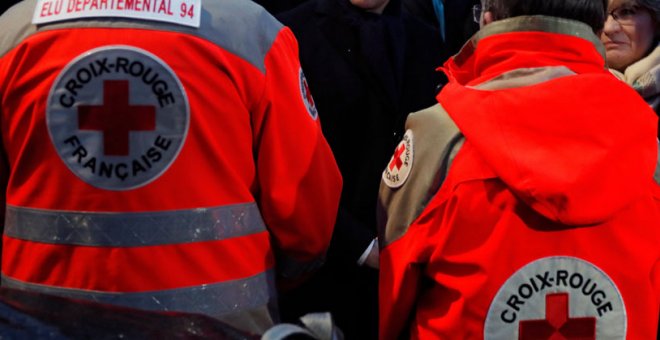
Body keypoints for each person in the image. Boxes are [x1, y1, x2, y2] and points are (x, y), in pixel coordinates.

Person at [0, 0, 342, 336]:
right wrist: (292, 276)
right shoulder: (249, 34)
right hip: (221, 323)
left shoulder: (13, 33)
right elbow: (305, 209)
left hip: (36, 320)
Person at [378, 0, 660, 338]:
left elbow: (396, 291)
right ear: (599, 28)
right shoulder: (647, 142)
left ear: (488, 18)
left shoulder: (438, 139)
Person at [276, 0, 445, 338]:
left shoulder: (427, 40)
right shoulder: (289, 34)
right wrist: (361, 247)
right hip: (323, 276)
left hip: (410, 272)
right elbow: (285, 164)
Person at [600, 0, 660, 133]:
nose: (608, 28)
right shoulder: (565, 83)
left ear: (657, 22)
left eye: (627, 12)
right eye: (601, 15)